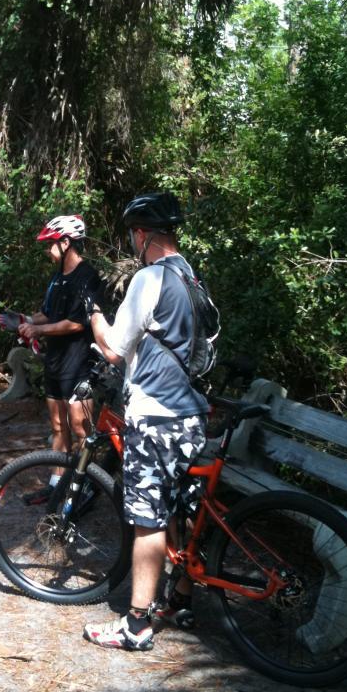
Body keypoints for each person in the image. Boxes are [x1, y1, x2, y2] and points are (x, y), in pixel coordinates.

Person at [82, 193, 208, 651]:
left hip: (155, 414)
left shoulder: (149, 278)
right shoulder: (193, 277)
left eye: (132, 235)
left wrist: (95, 316)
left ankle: (136, 624)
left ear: (141, 234)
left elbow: (115, 348)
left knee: (148, 519)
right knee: (180, 510)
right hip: (191, 415)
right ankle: (180, 598)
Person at [15, 215, 102, 501]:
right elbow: (48, 313)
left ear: (66, 243)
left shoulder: (87, 277)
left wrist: (38, 329)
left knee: (80, 428)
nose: (48, 251)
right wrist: (25, 320)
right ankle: (55, 486)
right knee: (57, 426)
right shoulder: (57, 277)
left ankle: (84, 485)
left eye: (51, 244)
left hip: (79, 363)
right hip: (55, 361)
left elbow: (77, 323)